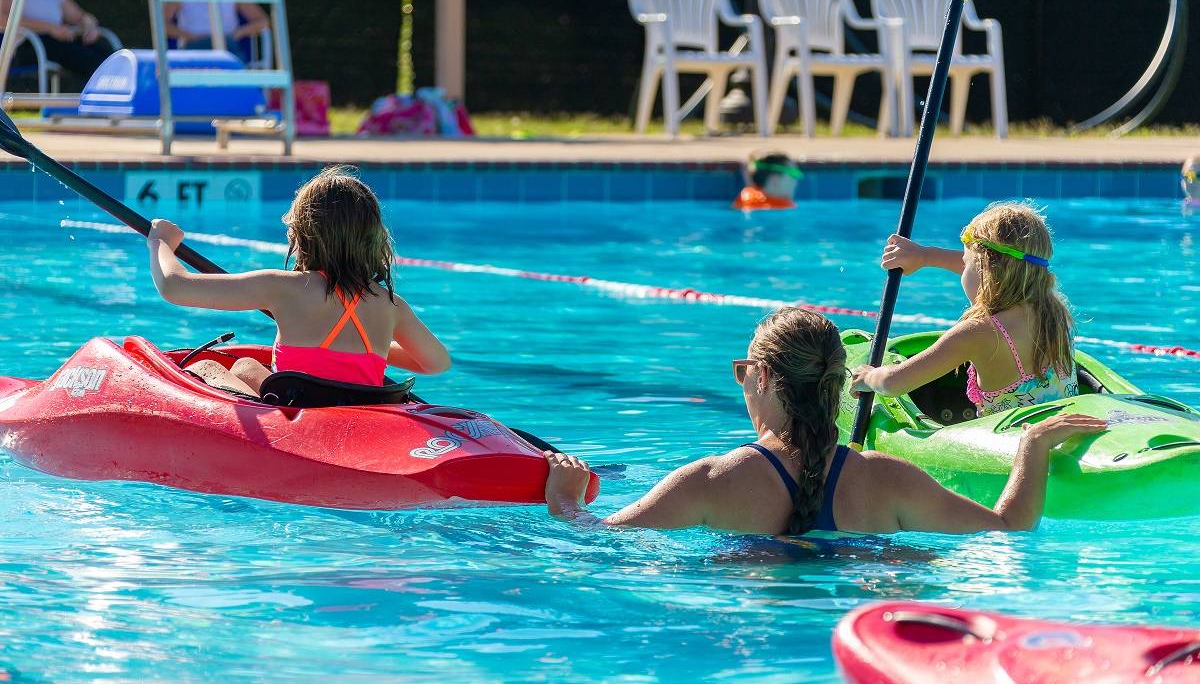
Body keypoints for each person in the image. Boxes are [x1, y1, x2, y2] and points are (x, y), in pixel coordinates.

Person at [544, 307, 1105, 535]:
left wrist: (564, 501)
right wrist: (1031, 446)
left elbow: (600, 547)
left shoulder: (714, 481)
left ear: (761, 376)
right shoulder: (891, 480)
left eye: (742, 371)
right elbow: (1009, 531)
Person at [146, 166, 451, 395]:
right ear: (373, 239)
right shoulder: (389, 304)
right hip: (359, 412)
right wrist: (376, 348)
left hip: (297, 412)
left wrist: (160, 242)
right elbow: (435, 364)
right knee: (245, 366)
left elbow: (174, 286)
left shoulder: (281, 287)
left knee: (205, 366)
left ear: (301, 234)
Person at [850, 201, 1078, 417]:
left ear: (985, 269)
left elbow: (893, 383)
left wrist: (869, 376)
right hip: (1059, 434)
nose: (962, 268)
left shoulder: (979, 332)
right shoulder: (1055, 311)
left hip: (1010, 448)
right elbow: (1005, 265)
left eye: (966, 262)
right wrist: (925, 256)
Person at [732, 153, 802, 210]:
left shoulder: (745, 202)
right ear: (775, 180)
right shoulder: (778, 209)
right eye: (794, 175)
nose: (796, 181)